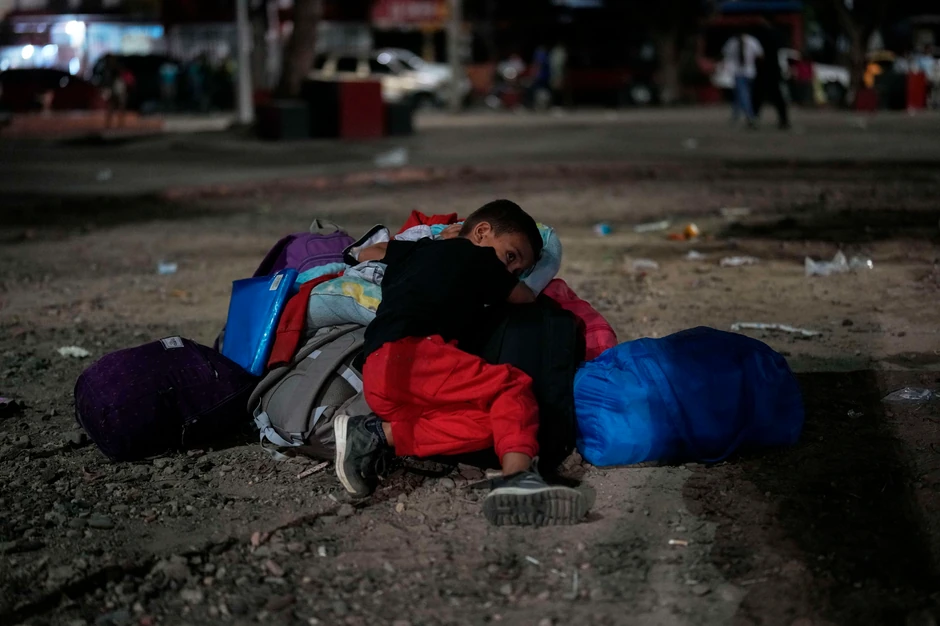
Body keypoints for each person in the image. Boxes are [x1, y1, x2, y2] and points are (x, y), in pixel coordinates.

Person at [333, 200, 588, 527]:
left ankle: (376, 437)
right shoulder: (477, 256)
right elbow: (524, 296)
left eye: (516, 270)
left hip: (381, 376)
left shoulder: (416, 252)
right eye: (511, 256)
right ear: (482, 232)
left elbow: (373, 252)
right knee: (512, 386)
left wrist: (438, 237)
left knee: (494, 423)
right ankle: (519, 482)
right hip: (414, 354)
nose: (508, 270)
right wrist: (533, 271)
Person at [752, 19, 790, 130]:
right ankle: (783, 120)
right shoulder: (776, 35)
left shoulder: (758, 36)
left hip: (762, 70)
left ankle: (754, 118)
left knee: (758, 96)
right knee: (777, 96)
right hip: (773, 70)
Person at [722, 31, 764, 128]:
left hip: (749, 72)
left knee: (742, 94)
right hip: (739, 72)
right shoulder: (733, 43)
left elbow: (759, 55)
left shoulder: (751, 41)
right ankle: (747, 115)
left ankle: (744, 114)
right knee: (743, 94)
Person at [549, 42, 568, 108]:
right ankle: (556, 105)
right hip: (556, 75)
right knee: (556, 90)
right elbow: (556, 66)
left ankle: (558, 105)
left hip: (557, 75)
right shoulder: (557, 53)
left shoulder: (555, 53)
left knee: (558, 90)